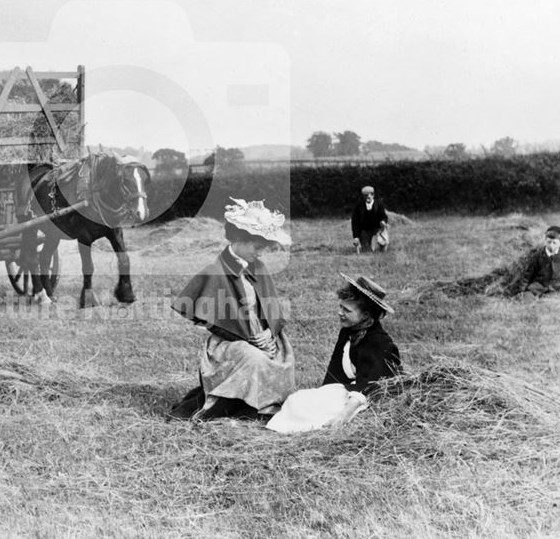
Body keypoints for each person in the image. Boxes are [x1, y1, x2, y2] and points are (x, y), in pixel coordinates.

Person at [169, 198, 295, 421]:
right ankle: (231, 408)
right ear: (239, 239)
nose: (260, 253)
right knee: (253, 358)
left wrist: (268, 333)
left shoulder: (258, 267)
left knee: (284, 355)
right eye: (257, 248)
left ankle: (263, 404)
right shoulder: (214, 271)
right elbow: (211, 321)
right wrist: (249, 340)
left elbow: (269, 308)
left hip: (261, 336)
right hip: (227, 343)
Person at [266, 273, 401, 433]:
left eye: (347, 310)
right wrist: (321, 394)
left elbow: (370, 385)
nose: (340, 312)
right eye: (340, 307)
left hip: (368, 398)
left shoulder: (378, 342)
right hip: (349, 390)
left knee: (303, 407)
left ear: (365, 315)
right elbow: (334, 371)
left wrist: (343, 416)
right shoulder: (348, 332)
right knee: (296, 399)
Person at [509, 225, 560, 297]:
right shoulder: (537, 255)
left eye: (554, 243)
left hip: (559, 287)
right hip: (539, 287)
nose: (551, 245)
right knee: (527, 296)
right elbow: (528, 274)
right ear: (545, 241)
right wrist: (522, 290)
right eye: (549, 242)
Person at [351, 185, 388, 253]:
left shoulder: (379, 204)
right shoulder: (358, 206)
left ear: (373, 195)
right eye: (365, 196)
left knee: (379, 250)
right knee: (367, 251)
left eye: (370, 195)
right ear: (363, 196)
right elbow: (355, 222)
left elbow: (384, 217)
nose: (368, 197)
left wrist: (383, 222)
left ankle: (381, 244)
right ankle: (367, 245)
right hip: (364, 231)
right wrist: (356, 237)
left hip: (377, 231)